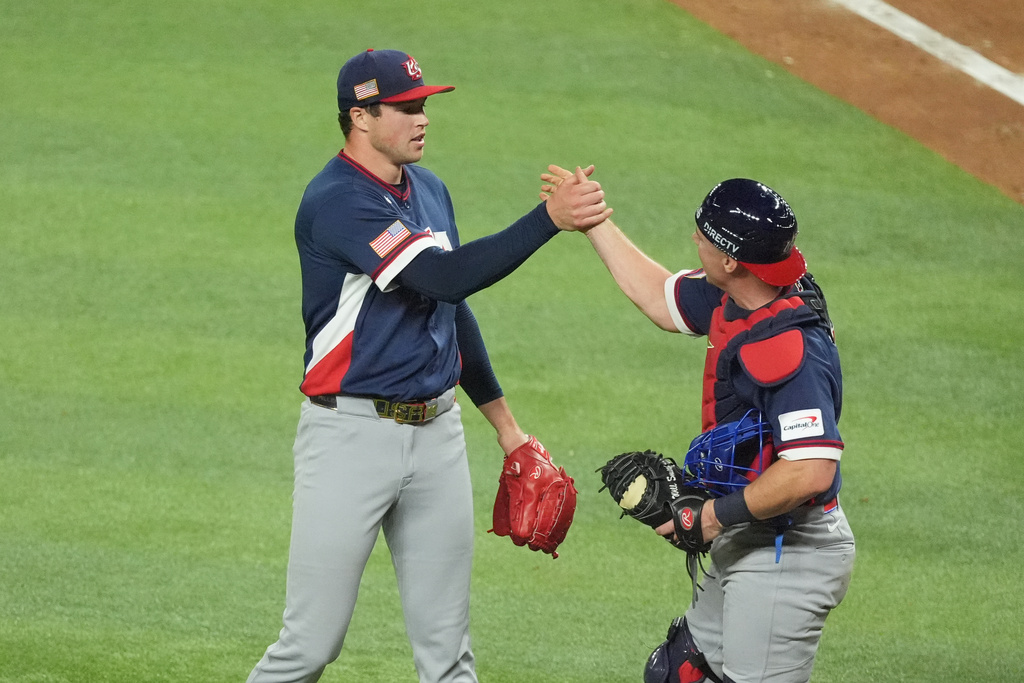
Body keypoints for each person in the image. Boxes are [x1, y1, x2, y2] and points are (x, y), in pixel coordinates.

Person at [246, 51, 611, 683]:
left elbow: (450, 307)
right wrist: (549, 219)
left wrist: (508, 428)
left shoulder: (431, 190)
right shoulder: (336, 202)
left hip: (437, 438)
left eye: (425, 105)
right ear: (361, 116)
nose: (423, 118)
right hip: (350, 439)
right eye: (407, 107)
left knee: (448, 653)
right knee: (310, 646)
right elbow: (444, 275)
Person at [542, 169, 854, 683]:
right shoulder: (747, 291)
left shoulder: (785, 348)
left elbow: (812, 470)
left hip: (790, 554)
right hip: (754, 531)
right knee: (679, 673)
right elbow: (661, 299)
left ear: (731, 259)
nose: (694, 239)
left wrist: (711, 516)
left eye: (703, 234)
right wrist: (591, 220)